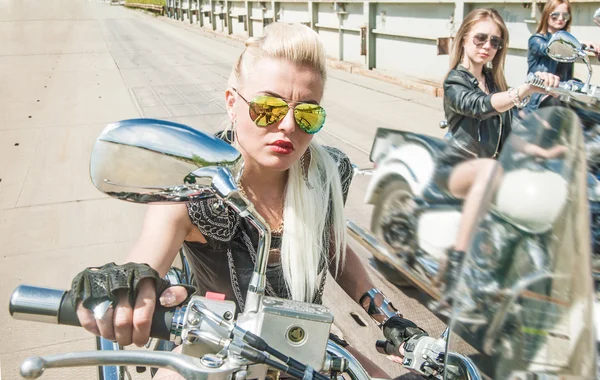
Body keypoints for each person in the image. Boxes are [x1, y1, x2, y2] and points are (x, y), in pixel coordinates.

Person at [69, 22, 426, 379]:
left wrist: (389, 317)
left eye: (307, 113)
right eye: (268, 108)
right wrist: (125, 281)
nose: (287, 125)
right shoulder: (196, 182)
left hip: (307, 344)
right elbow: (147, 254)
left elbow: (334, 250)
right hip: (215, 348)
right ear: (232, 104)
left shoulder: (327, 173)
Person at [433, 8, 561, 298]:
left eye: (495, 42)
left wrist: (545, 151)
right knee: (491, 171)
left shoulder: (494, 81)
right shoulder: (455, 80)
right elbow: (479, 106)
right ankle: (457, 262)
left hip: (492, 169)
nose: (487, 46)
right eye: (480, 38)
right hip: (456, 169)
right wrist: (524, 90)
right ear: (464, 38)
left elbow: (510, 132)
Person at [523, 0, 600, 116]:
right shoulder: (536, 40)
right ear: (547, 15)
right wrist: (580, 44)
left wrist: (594, 50)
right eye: (555, 15)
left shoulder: (569, 44)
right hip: (540, 99)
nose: (560, 19)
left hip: (562, 98)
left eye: (565, 15)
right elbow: (551, 48)